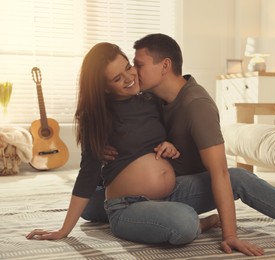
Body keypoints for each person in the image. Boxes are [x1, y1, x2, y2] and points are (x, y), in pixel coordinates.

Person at [99, 33, 275, 256]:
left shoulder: (197, 106)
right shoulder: (153, 97)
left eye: (139, 64)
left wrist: (231, 235)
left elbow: (220, 173)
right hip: (151, 187)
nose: (133, 72)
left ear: (165, 66)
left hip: (178, 188)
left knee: (236, 180)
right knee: (93, 204)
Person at [26, 42, 219, 245]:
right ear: (104, 87)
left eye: (128, 67)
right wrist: (63, 230)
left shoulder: (151, 99)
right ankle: (196, 224)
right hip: (124, 200)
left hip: (165, 192)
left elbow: (170, 131)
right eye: (117, 78)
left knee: (235, 180)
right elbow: (88, 172)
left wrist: (169, 144)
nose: (129, 78)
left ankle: (136, 211)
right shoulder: (96, 116)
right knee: (185, 220)